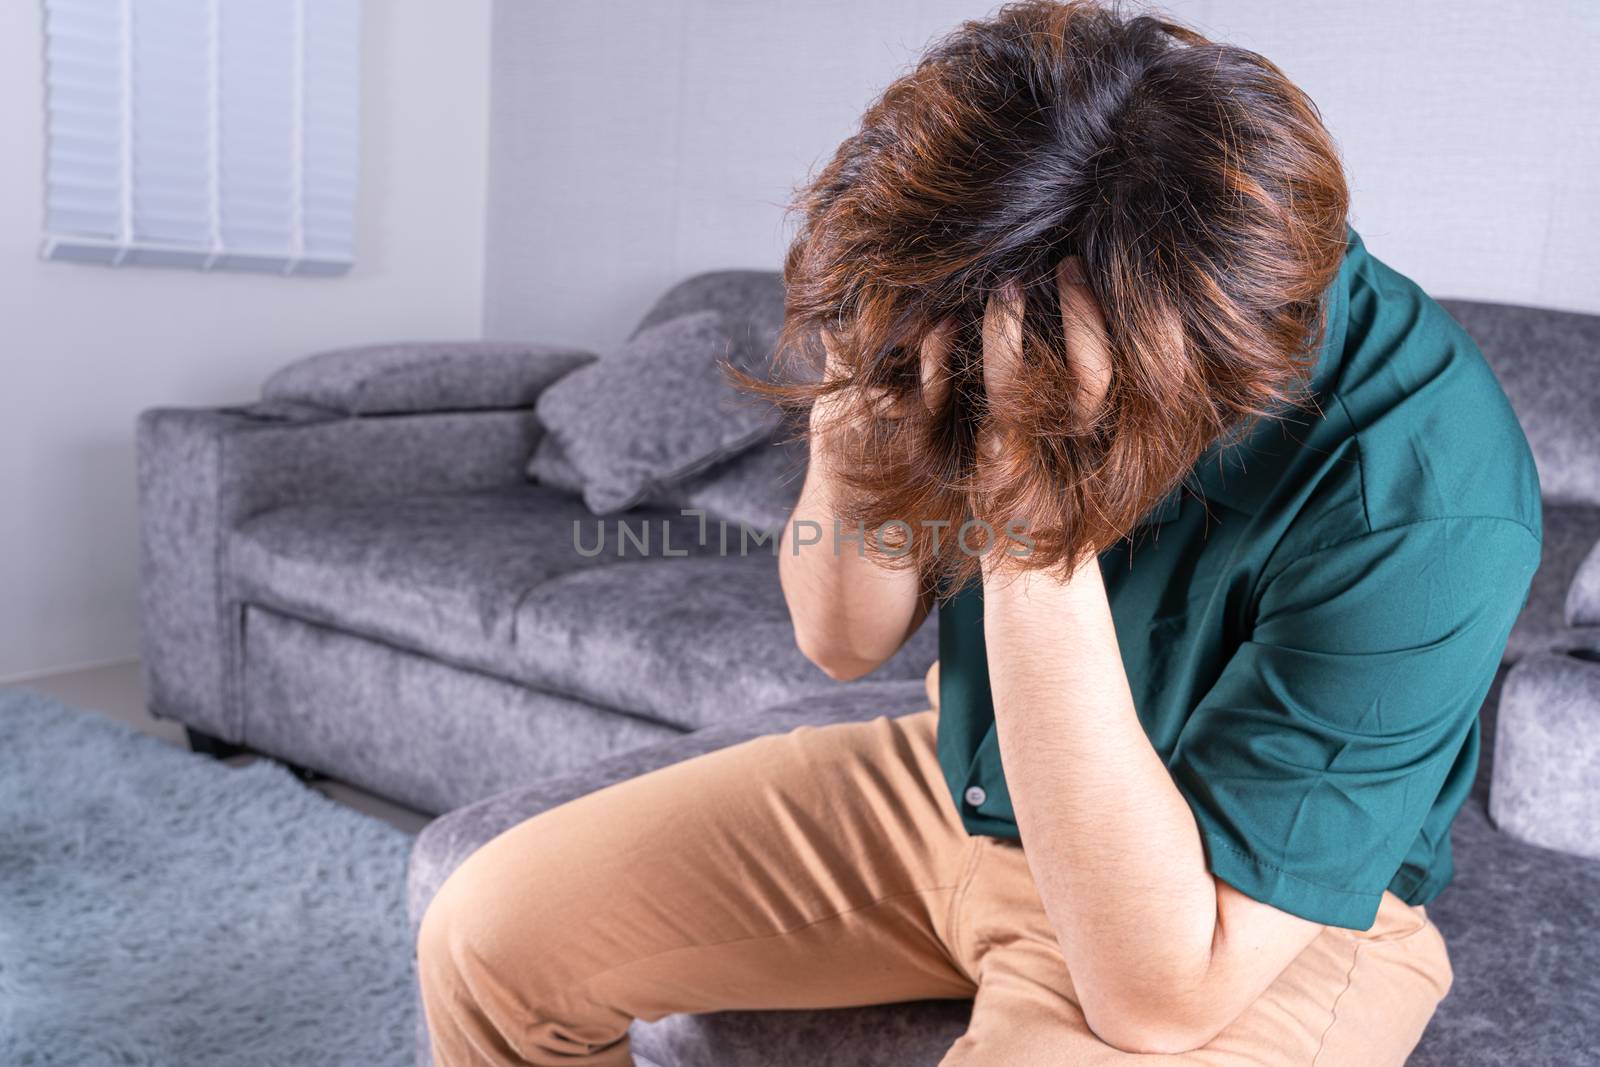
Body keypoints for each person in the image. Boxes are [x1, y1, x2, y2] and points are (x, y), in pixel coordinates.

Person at [417, 2, 1542, 1063]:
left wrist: (1027, 513)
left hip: (1246, 905)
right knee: (485, 933)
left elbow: (1156, 994)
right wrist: (864, 400)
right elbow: (840, 639)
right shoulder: (981, 293)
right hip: (969, 786)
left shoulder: (1428, 489)